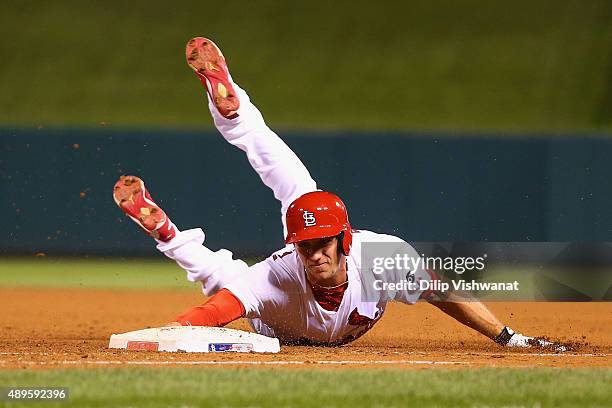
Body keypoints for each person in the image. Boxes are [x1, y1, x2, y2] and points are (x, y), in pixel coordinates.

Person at [113, 37, 561, 349]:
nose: (313, 253)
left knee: (301, 192)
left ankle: (217, 153)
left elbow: (443, 292)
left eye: (322, 243)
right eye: (304, 245)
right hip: (274, 327)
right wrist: (168, 331)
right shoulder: (279, 275)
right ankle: (175, 220)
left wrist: (507, 337)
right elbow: (212, 312)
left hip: (324, 281)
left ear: (345, 240)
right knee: (225, 276)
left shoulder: (384, 258)